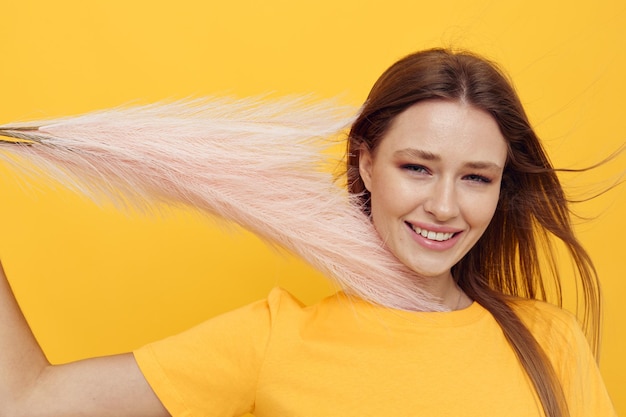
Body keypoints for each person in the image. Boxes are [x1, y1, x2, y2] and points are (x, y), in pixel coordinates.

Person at [0, 48, 617, 417]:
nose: (444, 206)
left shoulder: (550, 341)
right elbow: (26, 401)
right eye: (417, 168)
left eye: (476, 178)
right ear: (367, 164)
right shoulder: (274, 338)